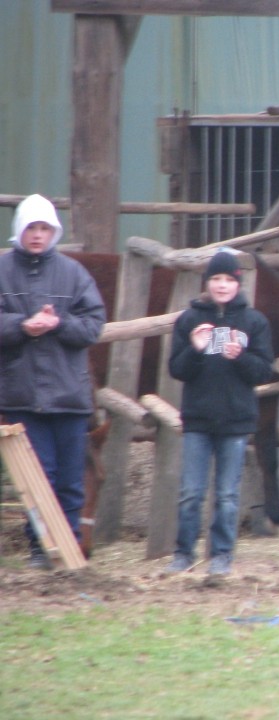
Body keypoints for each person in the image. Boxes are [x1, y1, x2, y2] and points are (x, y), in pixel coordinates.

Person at [0, 194, 106, 569]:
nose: (38, 235)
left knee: (69, 480)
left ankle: (71, 549)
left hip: (68, 395)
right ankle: (40, 549)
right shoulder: (2, 271)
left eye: (45, 228)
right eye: (32, 227)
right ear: (20, 230)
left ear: (54, 232)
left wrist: (59, 323)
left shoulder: (74, 273)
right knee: (37, 479)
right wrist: (22, 326)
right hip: (22, 393)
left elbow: (94, 324)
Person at [165, 250, 274, 576]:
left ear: (238, 283)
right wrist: (196, 351)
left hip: (236, 420)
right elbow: (177, 369)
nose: (222, 285)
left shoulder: (254, 321)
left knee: (227, 494)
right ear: (206, 282)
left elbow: (263, 371)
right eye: (216, 279)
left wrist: (240, 357)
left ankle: (222, 555)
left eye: (228, 279)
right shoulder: (189, 320)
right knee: (191, 493)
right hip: (198, 419)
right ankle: (184, 553)